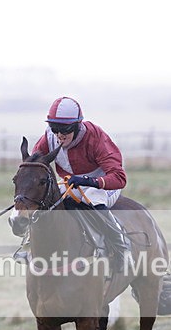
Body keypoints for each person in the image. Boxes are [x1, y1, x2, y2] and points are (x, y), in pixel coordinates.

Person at [30, 96, 131, 271]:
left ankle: (120, 249)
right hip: (71, 184)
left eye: (65, 129)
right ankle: (30, 246)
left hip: (103, 185)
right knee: (45, 200)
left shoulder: (95, 137)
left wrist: (88, 181)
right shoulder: (49, 137)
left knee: (93, 199)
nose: (59, 135)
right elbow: (36, 164)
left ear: (77, 125)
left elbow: (119, 178)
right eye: (54, 128)